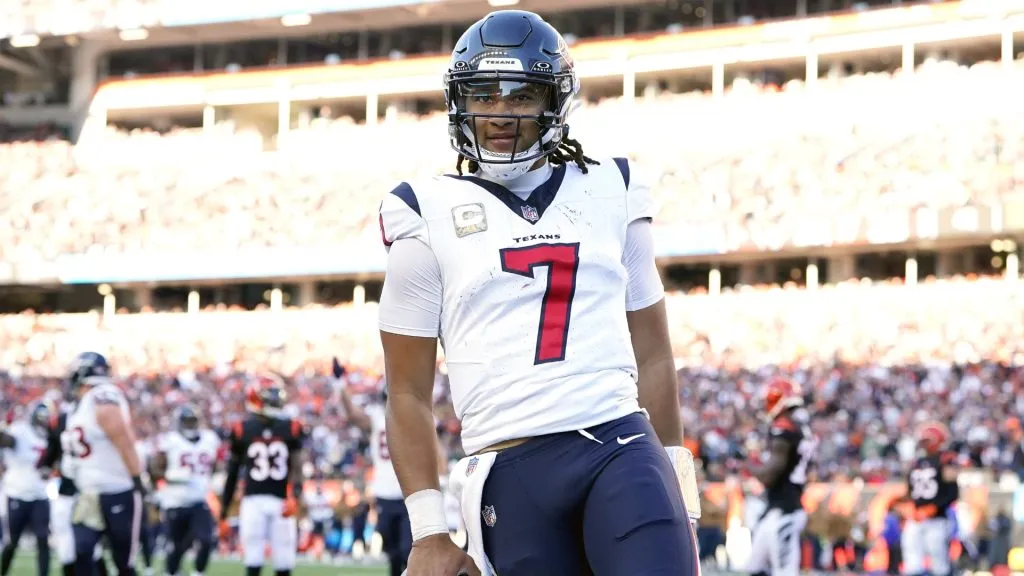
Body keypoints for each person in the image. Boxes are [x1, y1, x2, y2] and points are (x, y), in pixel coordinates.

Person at [376, 9, 701, 575]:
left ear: (555, 102)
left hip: (618, 446)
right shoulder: (421, 209)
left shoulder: (613, 186)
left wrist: (677, 477)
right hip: (509, 467)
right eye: (485, 94)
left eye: (520, 95)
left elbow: (653, 351)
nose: (499, 113)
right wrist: (429, 530)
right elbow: (406, 391)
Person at [64, 352, 148, 576]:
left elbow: (122, 436)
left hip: (117, 489)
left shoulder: (102, 394)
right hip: (89, 493)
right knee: (81, 551)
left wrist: (137, 478)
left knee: (123, 562)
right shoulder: (81, 404)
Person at [218, 376, 305, 576]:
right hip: (256, 499)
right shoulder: (246, 429)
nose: (275, 401)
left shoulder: (247, 429)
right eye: (271, 397)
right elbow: (232, 472)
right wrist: (223, 513)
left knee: (283, 558)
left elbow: (297, 466)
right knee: (255, 556)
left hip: (276, 500)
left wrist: (295, 495)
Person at [745, 379, 818, 576]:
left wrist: (750, 462)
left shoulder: (785, 428)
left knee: (784, 571)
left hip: (785, 510)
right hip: (778, 508)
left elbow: (769, 476)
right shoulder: (802, 428)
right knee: (756, 566)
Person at [151, 404, 219, 576]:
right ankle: (171, 571)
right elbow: (155, 469)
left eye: (192, 421)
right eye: (187, 421)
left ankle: (198, 572)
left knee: (206, 539)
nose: (190, 425)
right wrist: (173, 476)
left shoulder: (209, 439)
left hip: (198, 499)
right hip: (175, 501)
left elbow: (215, 465)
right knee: (176, 546)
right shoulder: (171, 441)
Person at [0, 402, 53, 576]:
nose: (43, 422)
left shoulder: (48, 436)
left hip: (39, 494)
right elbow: (7, 440)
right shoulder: (20, 430)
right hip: (17, 493)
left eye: (45, 418)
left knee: (43, 539)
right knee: (12, 542)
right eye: (40, 418)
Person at [902, 421, 958, 576]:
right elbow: (910, 490)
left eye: (927, 440)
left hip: (937, 519)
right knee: (911, 556)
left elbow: (953, 493)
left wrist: (934, 507)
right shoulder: (916, 463)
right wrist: (910, 507)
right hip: (917, 516)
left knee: (938, 557)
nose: (924, 444)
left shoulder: (946, 461)